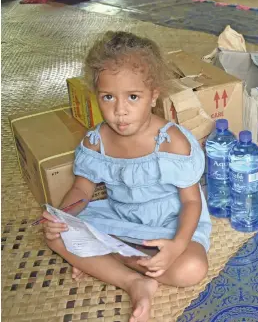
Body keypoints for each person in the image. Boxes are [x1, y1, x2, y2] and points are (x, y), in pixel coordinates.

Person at [41, 31, 211, 322]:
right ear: (97, 95)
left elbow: (192, 203)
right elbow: (82, 189)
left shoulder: (173, 143)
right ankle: (134, 281)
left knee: (191, 269)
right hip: (120, 218)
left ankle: (107, 262)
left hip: (172, 221)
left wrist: (177, 247)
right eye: (108, 97)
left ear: (154, 94)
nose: (120, 111)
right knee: (55, 236)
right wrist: (62, 216)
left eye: (133, 97)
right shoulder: (96, 141)